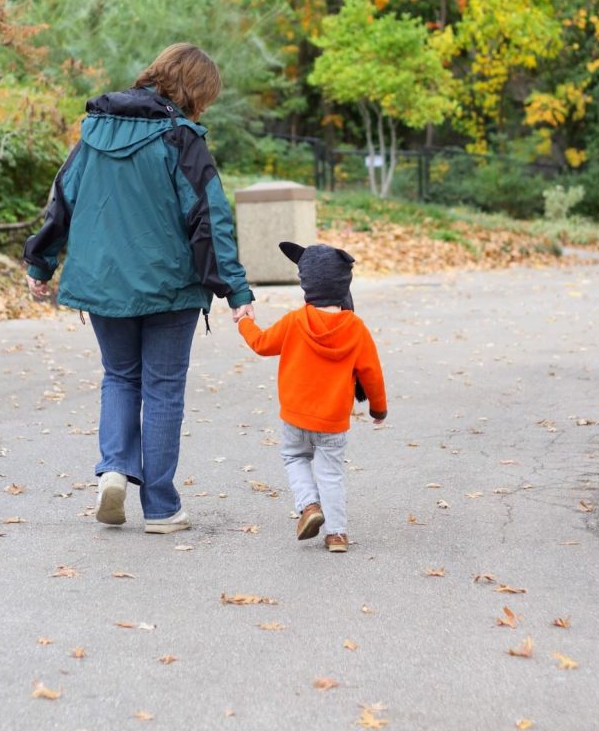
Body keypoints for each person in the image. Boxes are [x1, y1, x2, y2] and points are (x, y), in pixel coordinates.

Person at [23, 43, 255, 533]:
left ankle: (113, 469)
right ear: (195, 91)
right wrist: (234, 290)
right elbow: (209, 219)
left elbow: (62, 199)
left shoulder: (94, 131)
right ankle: (162, 508)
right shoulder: (183, 140)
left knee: (120, 376)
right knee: (164, 389)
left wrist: (40, 263)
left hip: (103, 283)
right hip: (169, 285)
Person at [237, 241, 387, 553]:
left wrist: (245, 322)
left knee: (295, 457)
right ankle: (337, 535)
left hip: (295, 416)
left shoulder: (295, 321)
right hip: (333, 422)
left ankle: (309, 506)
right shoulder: (356, 328)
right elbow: (372, 373)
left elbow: (262, 344)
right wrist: (378, 410)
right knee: (331, 474)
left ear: (305, 282)